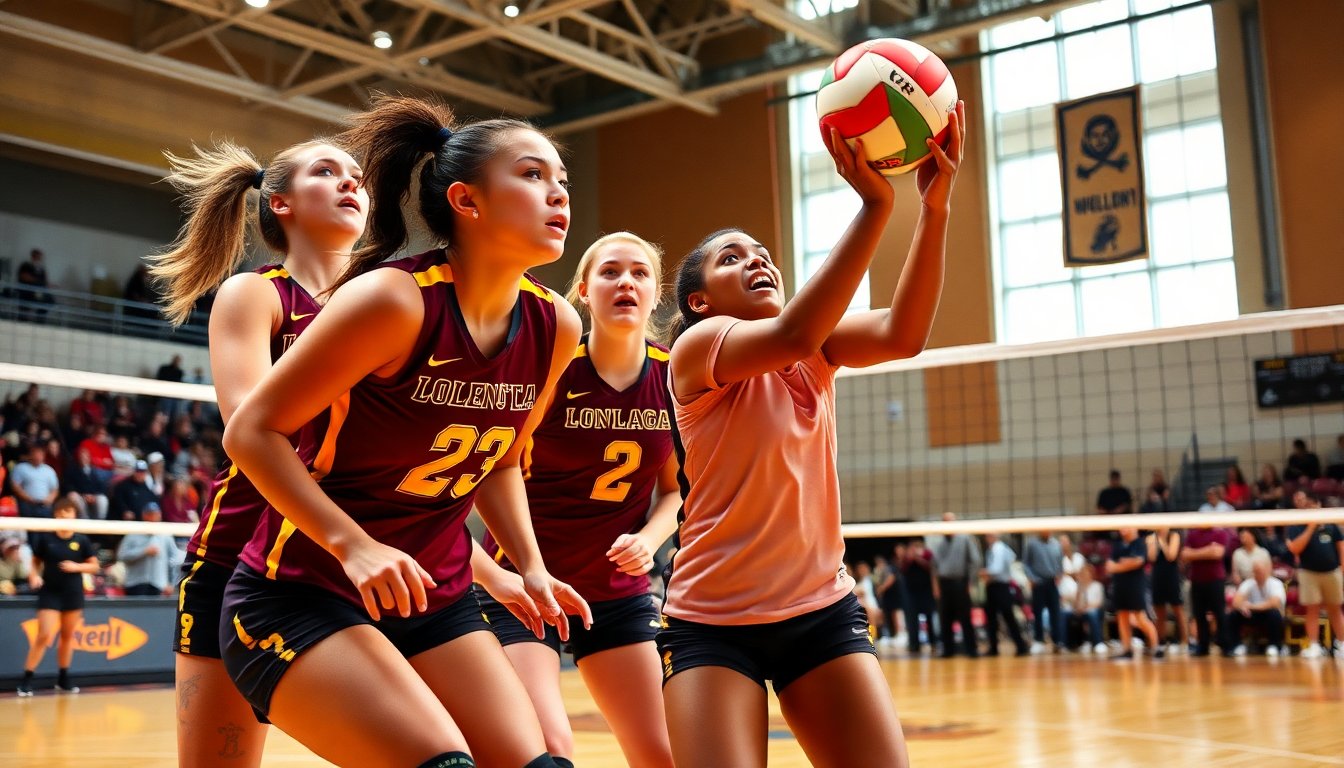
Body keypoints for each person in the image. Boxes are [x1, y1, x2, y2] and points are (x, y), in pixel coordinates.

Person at [221, 95, 590, 768]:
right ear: (466, 200)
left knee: (542, 764)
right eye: (532, 175)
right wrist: (355, 546)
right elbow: (249, 433)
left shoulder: (557, 324)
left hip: (432, 595)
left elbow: (504, 462)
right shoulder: (395, 299)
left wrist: (530, 567)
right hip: (303, 592)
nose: (559, 192)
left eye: (561, 179)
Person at [659, 102, 963, 767]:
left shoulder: (815, 349)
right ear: (700, 301)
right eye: (732, 258)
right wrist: (875, 206)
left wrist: (933, 209)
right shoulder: (697, 348)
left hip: (820, 612)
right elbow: (793, 331)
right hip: (712, 623)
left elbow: (904, 334)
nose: (757, 261)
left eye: (764, 255)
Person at [147, 136, 371, 768]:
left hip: (352, 556)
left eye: (357, 175)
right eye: (326, 171)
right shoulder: (257, 293)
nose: (351, 183)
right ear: (280, 202)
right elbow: (247, 430)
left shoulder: (387, 300)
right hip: (240, 552)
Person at [476, 232, 679, 768]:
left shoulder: (672, 376)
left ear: (656, 293)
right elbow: (494, 467)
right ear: (584, 291)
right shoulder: (553, 367)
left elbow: (674, 490)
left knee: (665, 753)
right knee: (548, 746)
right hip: (525, 584)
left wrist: (649, 539)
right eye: (610, 272)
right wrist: (527, 569)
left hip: (615, 589)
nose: (625, 282)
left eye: (639, 273)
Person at [17, 498, 100, 696]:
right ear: (55, 515)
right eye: (60, 512)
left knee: (67, 637)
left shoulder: (81, 540)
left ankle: (63, 678)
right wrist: (34, 575)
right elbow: (35, 561)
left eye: (68, 512)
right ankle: (27, 679)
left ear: (75, 515)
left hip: (73, 593)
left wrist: (77, 567)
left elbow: (95, 566)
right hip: (50, 592)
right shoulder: (46, 538)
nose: (64, 515)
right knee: (44, 635)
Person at [1285, 491, 1344, 659]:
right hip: (1308, 573)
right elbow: (1295, 548)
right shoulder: (1297, 526)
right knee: (1312, 610)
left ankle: (1342, 644)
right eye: (1308, 506)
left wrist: (1342, 569)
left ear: (1319, 505)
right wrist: (1311, 527)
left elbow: (1341, 547)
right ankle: (1314, 646)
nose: (1312, 509)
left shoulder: (1331, 524)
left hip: (1332, 572)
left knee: (1335, 609)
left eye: (1314, 505)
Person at [1105, 527, 1163, 661]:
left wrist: (1119, 565)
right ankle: (1127, 650)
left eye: (1127, 526)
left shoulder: (1139, 543)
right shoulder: (1118, 544)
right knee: (1122, 616)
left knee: (1140, 617)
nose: (1123, 529)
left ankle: (1156, 647)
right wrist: (1126, 563)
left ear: (1134, 528)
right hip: (1120, 585)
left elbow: (1138, 561)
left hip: (1136, 586)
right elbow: (1109, 565)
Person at [1183, 522, 1232, 656]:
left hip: (1215, 579)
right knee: (1199, 614)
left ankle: (1225, 645)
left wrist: (1195, 553)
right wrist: (1208, 550)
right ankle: (1203, 645)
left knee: (1220, 613)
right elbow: (1185, 555)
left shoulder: (1220, 533)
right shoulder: (1192, 534)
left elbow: (1218, 553)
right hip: (1197, 579)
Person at [117, 503, 182, 595]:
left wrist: (171, 583)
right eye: (150, 514)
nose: (153, 517)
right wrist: (144, 551)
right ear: (144, 515)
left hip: (159, 584)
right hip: (135, 583)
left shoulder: (165, 535)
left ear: (160, 515)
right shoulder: (133, 534)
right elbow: (121, 555)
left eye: (156, 514)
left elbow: (174, 560)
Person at [980, 532, 1028, 657]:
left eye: (988, 535)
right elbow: (1012, 557)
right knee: (994, 618)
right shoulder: (996, 549)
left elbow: (996, 569)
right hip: (996, 586)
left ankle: (1020, 646)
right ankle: (995, 647)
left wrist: (984, 573)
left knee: (1007, 617)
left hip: (1000, 586)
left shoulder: (998, 548)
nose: (987, 538)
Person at [1228, 559, 1286, 657]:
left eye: (1260, 571)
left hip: (1268, 614)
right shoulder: (1248, 583)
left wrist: (1251, 606)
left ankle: (1275, 646)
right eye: (1255, 571)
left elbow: (1274, 603)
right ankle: (1237, 645)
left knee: (1274, 614)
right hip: (1252, 615)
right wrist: (1242, 607)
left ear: (1267, 571)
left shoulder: (1276, 583)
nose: (1257, 574)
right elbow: (1236, 602)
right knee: (1233, 615)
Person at [1146, 527, 1188, 654]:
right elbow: (1152, 558)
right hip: (1157, 575)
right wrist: (1155, 541)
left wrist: (1161, 540)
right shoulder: (1150, 537)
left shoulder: (1174, 536)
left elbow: (1171, 556)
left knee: (1178, 608)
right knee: (1159, 610)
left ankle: (1185, 641)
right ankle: (1161, 641)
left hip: (1171, 575)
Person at [1022, 530, 1064, 653]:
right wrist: (1032, 578)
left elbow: (1060, 562)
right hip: (1038, 582)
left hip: (1052, 582)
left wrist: (1059, 574)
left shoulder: (1056, 544)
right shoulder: (1032, 544)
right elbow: (1026, 563)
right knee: (1038, 613)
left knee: (1055, 612)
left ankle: (1057, 641)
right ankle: (1039, 640)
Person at [1060, 562, 1105, 653]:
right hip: (1080, 611)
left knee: (1092, 613)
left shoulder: (1097, 585)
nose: (1083, 575)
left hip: (1093, 610)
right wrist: (1079, 592)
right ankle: (1063, 644)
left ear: (1091, 574)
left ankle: (1098, 643)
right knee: (1064, 613)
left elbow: (1099, 603)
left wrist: (1085, 608)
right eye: (1082, 573)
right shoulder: (1079, 586)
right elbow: (1075, 604)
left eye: (1085, 572)